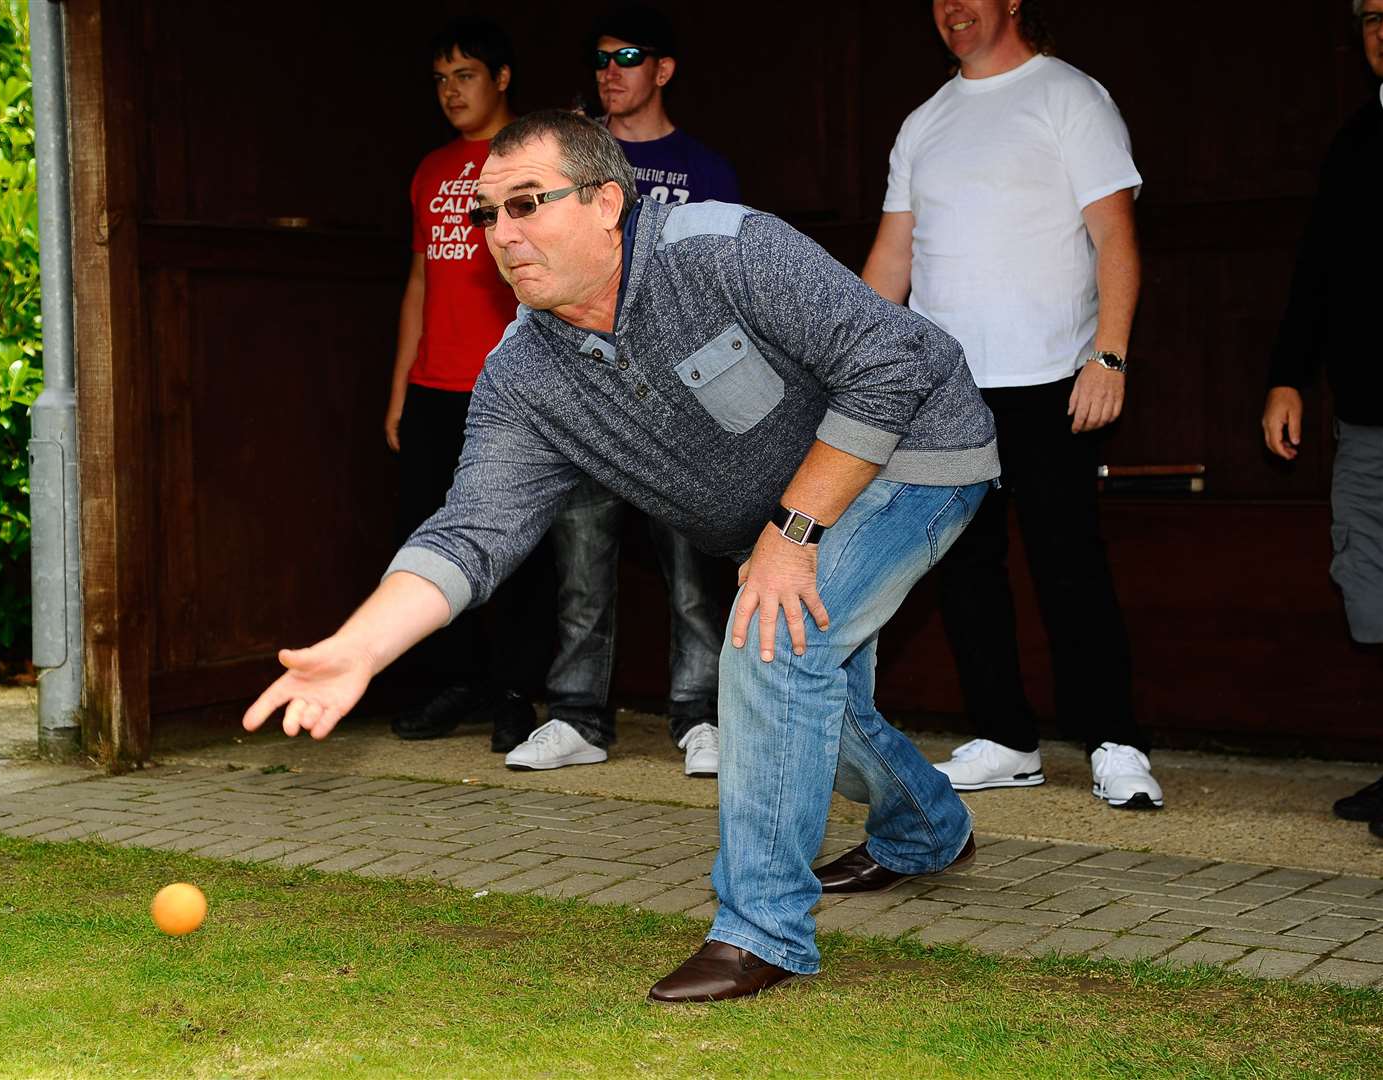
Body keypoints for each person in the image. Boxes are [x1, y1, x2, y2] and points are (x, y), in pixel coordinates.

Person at [244, 110, 1000, 1003]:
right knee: (803, 689)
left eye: (526, 204)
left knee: (772, 650)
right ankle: (923, 830)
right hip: (788, 516)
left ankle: (760, 931)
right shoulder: (522, 376)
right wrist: (360, 649)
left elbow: (893, 362)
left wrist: (790, 535)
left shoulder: (726, 248)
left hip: (917, 455)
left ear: (607, 202)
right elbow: (471, 531)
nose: (501, 235)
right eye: (487, 216)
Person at [861, 0, 1162, 810]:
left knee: (1070, 565)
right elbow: (892, 256)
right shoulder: (923, 121)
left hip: (1049, 382)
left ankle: (1114, 740)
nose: (950, 9)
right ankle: (1005, 738)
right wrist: (850, 364)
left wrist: (1108, 354)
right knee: (963, 568)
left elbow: (1116, 238)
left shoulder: (1069, 96)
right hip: (943, 389)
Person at [506, 5, 741, 777]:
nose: (610, 70)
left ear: (663, 70)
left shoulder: (705, 169)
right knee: (579, 565)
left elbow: (731, 287)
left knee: (691, 580)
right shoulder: (563, 164)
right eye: (600, 58)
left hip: (676, 409)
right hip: (583, 400)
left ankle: (701, 717)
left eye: (628, 56)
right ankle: (576, 718)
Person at [383, 18, 544, 753]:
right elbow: (421, 279)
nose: (451, 91)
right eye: (441, 79)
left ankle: (516, 693)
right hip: (433, 388)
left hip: (508, 390)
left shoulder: (528, 160)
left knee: (514, 546)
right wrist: (399, 390)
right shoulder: (429, 169)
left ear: (502, 78)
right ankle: (454, 682)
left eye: (466, 75)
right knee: (430, 537)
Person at [1263, 0, 1383, 842]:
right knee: (1368, 586)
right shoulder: (1355, 140)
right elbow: (1317, 270)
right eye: (1372, 16)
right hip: (1366, 417)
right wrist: (1286, 379)